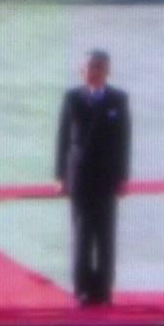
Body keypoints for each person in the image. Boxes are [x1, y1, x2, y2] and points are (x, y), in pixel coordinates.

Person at [54, 50, 131, 306]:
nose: (94, 72)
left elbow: (124, 140)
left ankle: (103, 290)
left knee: (105, 235)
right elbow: (63, 138)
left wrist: (123, 177)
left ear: (107, 71)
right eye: (90, 67)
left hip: (107, 177)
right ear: (82, 71)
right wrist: (61, 175)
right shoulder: (72, 98)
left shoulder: (118, 99)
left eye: (99, 67)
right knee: (82, 235)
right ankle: (83, 289)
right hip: (80, 175)